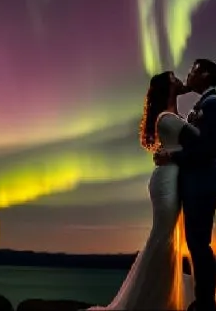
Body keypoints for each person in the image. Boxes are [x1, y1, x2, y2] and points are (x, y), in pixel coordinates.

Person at [83, 70, 199, 310]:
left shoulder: (174, 115)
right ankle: (150, 299)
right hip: (167, 180)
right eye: (175, 79)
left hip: (173, 177)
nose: (180, 80)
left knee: (167, 237)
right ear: (168, 87)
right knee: (163, 236)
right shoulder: (167, 118)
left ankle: (161, 295)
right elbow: (197, 140)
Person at [154, 59, 216, 311]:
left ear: (206, 75)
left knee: (199, 244)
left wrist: (172, 156)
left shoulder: (215, 106)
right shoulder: (201, 106)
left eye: (193, 71)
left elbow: (209, 149)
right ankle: (203, 301)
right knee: (195, 244)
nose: (189, 75)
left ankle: (206, 303)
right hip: (194, 184)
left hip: (203, 184)